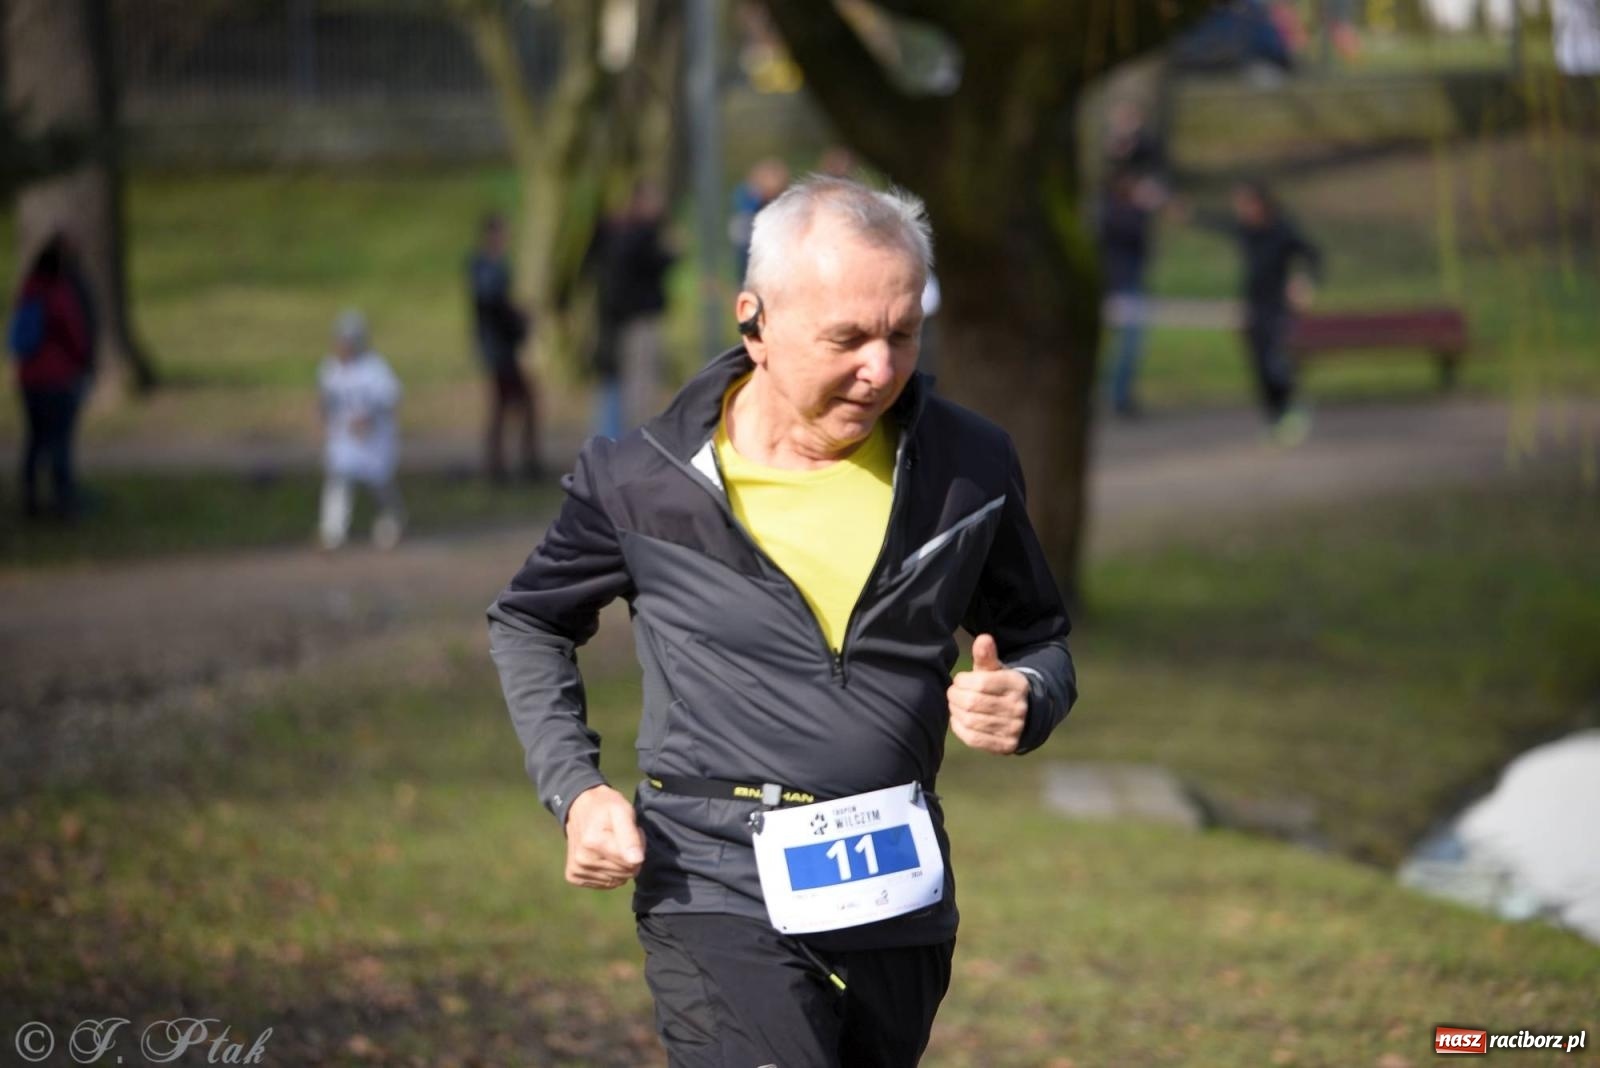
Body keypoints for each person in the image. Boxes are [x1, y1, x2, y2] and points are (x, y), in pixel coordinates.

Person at [488, 176, 1076, 1067]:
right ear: (753, 320)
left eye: (903, 334)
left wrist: (1027, 694)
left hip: (896, 897)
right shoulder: (642, 479)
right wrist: (577, 788)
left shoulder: (968, 466)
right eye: (847, 338)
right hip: (711, 878)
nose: (880, 369)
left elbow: (1041, 638)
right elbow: (529, 621)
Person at [1196, 180, 1323, 443]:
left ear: (1261, 204)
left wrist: (1304, 282)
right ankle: (1274, 418)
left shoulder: (1282, 230)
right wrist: (1186, 213)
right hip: (1253, 307)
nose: (1241, 210)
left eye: (1246, 204)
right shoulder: (1246, 231)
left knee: (1275, 362)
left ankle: (1292, 410)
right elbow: (1217, 223)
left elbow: (1313, 255)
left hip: (1277, 307)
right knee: (1259, 367)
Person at [8, 232, 96, 519]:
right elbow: (75, 335)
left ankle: (30, 499)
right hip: (57, 379)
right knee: (60, 443)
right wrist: (84, 362)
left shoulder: (28, 289)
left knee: (34, 441)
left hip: (29, 379)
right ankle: (64, 501)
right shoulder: (58, 293)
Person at [586, 180, 678, 440]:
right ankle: (635, 442)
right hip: (635, 320)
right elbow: (648, 266)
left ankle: (621, 439)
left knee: (621, 386)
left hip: (617, 321)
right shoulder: (637, 236)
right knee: (637, 387)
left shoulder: (610, 236)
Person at [317, 310, 405, 551]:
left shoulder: (374, 367)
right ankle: (332, 533)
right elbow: (325, 401)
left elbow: (390, 397)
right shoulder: (330, 368)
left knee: (380, 484)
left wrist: (370, 418)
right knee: (339, 481)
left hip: (373, 439)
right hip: (345, 439)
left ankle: (391, 524)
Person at [468, 213, 539, 482]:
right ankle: (512, 463)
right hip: (499, 348)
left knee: (504, 406)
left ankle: (501, 463)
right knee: (520, 403)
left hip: (500, 346)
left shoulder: (493, 266)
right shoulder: (487, 268)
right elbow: (493, 306)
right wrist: (519, 318)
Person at [1097, 169, 1165, 418]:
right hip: (1121, 286)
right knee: (1128, 344)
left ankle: (1120, 394)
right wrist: (1144, 208)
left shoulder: (1121, 213)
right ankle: (1119, 395)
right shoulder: (1115, 213)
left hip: (1128, 284)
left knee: (1128, 344)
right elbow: (1130, 233)